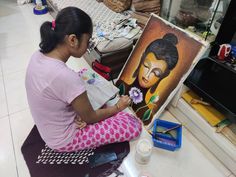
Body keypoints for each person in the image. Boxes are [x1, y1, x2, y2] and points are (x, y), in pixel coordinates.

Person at [25, 7, 142, 152]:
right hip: (63, 139)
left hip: (48, 126)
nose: (88, 47)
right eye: (88, 41)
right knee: (132, 125)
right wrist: (117, 107)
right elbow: (90, 118)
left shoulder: (37, 55)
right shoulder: (65, 77)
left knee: (84, 74)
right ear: (73, 40)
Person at [117, 33, 179, 122]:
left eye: (156, 73)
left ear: (164, 75)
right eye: (146, 66)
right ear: (142, 59)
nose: (147, 75)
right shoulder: (120, 86)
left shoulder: (146, 114)